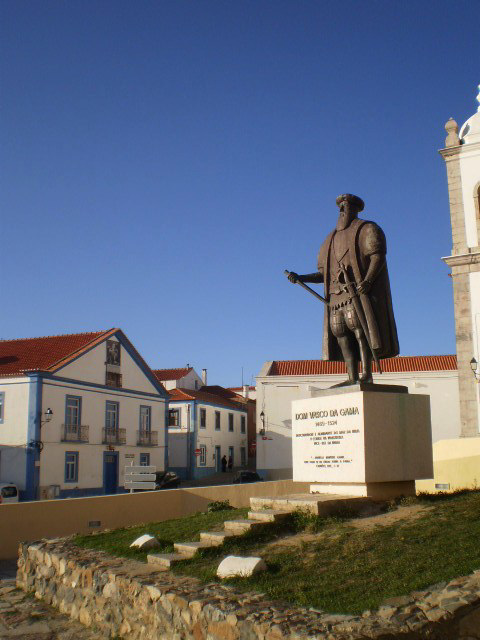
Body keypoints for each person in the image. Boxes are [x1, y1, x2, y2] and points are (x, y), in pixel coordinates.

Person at [288, 194, 399, 385]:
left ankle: (366, 374)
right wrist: (301, 277)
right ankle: (351, 376)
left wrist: (368, 280)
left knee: (360, 332)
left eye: (345, 207)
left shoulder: (367, 229)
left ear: (354, 209)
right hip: (335, 298)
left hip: (356, 293)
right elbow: (322, 274)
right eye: (340, 207)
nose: (341, 210)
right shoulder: (329, 239)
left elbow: (377, 257)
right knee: (340, 334)